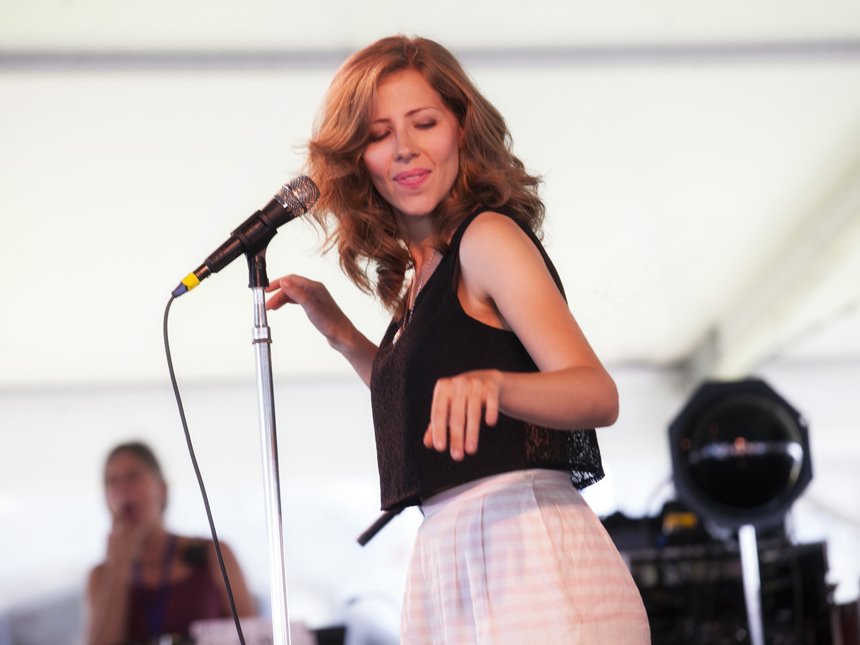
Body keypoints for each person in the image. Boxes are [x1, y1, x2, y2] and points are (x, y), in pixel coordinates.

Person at [265, 35, 650, 644]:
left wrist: (495, 385)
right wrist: (342, 334)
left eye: (424, 123)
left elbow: (596, 395)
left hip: (526, 547)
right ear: (356, 158)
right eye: (378, 134)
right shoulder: (423, 276)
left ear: (462, 130)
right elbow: (429, 398)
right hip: (454, 553)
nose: (405, 149)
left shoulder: (487, 238)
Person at [85, 442, 256, 645]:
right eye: (112, 481)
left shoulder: (213, 554)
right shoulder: (102, 575)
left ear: (162, 489)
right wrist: (118, 569)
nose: (123, 489)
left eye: (133, 476)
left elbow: (253, 636)